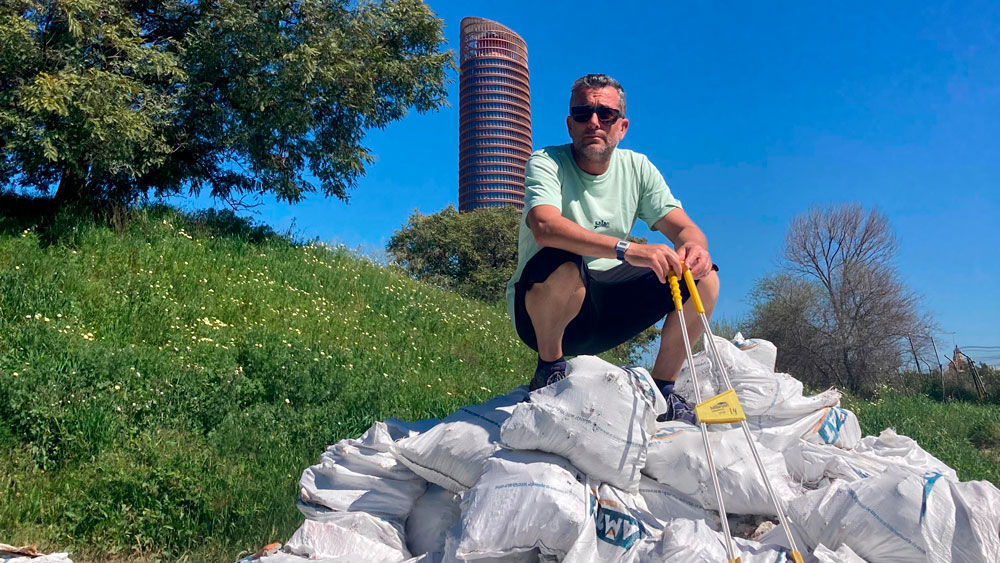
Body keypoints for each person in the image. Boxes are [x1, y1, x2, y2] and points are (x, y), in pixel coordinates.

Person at [504, 73, 720, 423]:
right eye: (582, 113)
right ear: (569, 125)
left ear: (622, 126)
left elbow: (683, 227)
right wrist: (629, 249)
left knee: (704, 279)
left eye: (605, 115)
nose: (593, 123)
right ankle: (549, 370)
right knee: (563, 261)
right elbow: (543, 226)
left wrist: (695, 248)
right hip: (544, 315)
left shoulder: (638, 168)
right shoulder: (546, 162)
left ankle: (663, 391)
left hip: (611, 306)